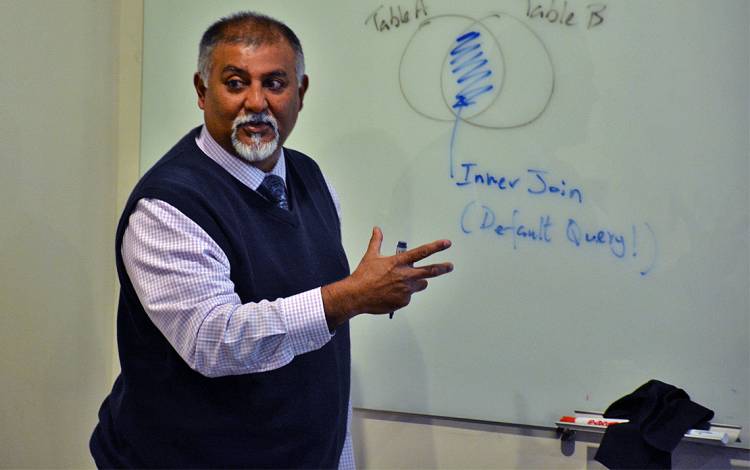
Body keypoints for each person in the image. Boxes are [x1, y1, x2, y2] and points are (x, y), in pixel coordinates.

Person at [89, 10, 453, 469]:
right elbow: (213, 339)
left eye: (275, 84)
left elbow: (325, 362)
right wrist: (347, 298)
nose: (256, 102)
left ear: (300, 94)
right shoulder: (168, 206)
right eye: (236, 83)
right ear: (202, 92)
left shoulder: (310, 178)